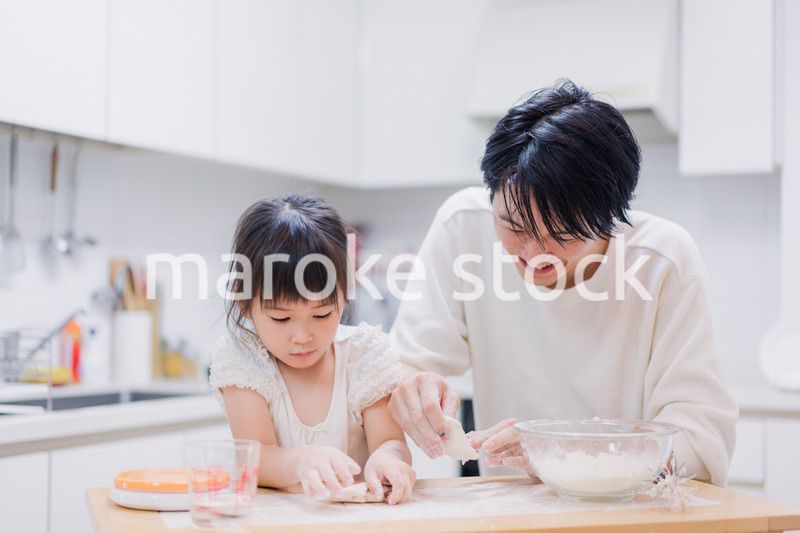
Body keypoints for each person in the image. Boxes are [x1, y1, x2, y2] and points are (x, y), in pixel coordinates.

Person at [388, 79, 738, 485]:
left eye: (562, 234)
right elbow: (402, 367)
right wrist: (412, 392)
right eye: (514, 226)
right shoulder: (463, 227)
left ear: (611, 216)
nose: (534, 254)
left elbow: (701, 448)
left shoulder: (662, 261)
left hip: (629, 514)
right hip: (511, 513)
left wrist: (561, 451)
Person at [210, 195, 415, 504]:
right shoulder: (243, 361)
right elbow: (255, 458)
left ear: (344, 296)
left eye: (321, 315)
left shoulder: (363, 355)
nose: (303, 336)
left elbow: (389, 441)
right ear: (244, 303)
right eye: (281, 318)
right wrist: (300, 460)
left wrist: (389, 460)